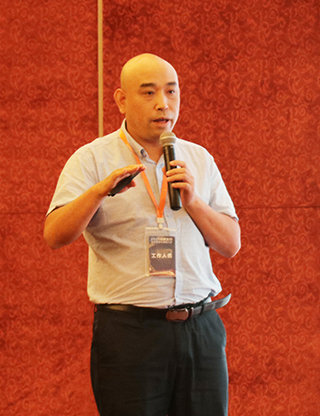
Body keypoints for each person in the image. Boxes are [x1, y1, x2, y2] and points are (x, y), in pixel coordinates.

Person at [44, 53, 240, 416]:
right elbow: (55, 235)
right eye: (149, 93)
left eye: (171, 91)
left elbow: (230, 243)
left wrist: (193, 201)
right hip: (130, 334)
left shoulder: (198, 159)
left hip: (200, 329)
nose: (163, 103)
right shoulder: (92, 159)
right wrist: (98, 193)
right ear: (121, 100)